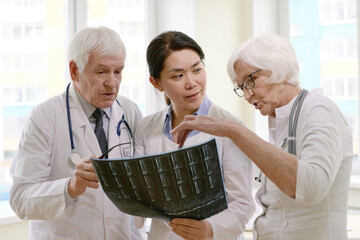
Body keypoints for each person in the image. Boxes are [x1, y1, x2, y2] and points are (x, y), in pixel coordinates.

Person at [171, 33, 353, 240]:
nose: (247, 95)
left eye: (251, 81)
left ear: (279, 69)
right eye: (241, 87)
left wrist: (235, 131)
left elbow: (311, 187)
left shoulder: (319, 110)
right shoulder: (282, 120)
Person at [9, 26, 144, 240]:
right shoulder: (45, 117)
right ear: (74, 71)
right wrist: (70, 187)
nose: (112, 83)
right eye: (101, 72)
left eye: (118, 71)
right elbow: (20, 199)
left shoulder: (130, 112)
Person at [134, 30, 255, 240]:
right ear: (156, 83)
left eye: (197, 69)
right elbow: (139, 203)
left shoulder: (231, 127)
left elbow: (242, 204)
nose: (191, 83)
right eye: (178, 76)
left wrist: (210, 229)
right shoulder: (146, 128)